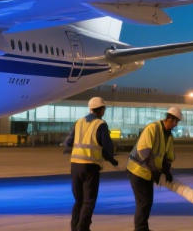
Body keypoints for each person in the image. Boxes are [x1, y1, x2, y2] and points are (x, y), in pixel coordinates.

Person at [63, 96, 118, 231]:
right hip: (90, 167)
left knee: (79, 200)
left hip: (75, 166)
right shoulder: (100, 124)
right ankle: (83, 228)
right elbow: (107, 147)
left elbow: (68, 143)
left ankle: (75, 228)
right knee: (89, 201)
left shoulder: (79, 122)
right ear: (101, 110)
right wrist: (112, 160)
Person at [126, 106, 182, 231]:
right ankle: (140, 229)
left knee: (147, 202)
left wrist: (166, 171)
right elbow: (144, 152)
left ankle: (143, 228)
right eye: (176, 122)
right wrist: (155, 171)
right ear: (169, 119)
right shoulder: (153, 128)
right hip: (137, 170)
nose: (176, 125)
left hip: (148, 172)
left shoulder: (168, 136)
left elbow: (168, 156)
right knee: (143, 202)